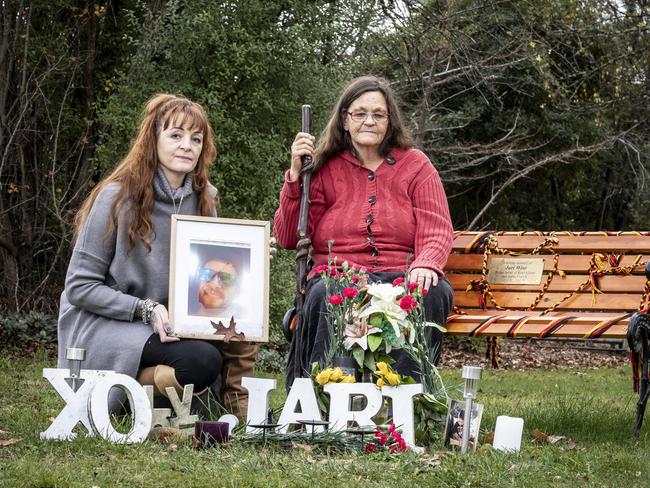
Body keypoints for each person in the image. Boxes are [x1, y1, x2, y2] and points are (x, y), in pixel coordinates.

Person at [57, 93, 257, 417]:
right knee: (201, 361)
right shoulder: (115, 198)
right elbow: (79, 287)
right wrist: (145, 309)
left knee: (242, 325)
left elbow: (209, 274)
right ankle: (123, 398)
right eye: (176, 135)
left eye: (196, 138)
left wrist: (248, 265)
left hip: (174, 326)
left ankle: (237, 413)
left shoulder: (206, 199)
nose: (186, 146)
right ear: (154, 139)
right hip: (111, 322)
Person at [274, 75, 454, 387]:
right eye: (359, 113)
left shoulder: (416, 166)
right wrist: (294, 174)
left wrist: (426, 262)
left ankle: (407, 398)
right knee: (322, 291)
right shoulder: (322, 168)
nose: (368, 121)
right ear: (344, 120)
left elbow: (436, 226)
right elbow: (291, 236)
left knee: (433, 291)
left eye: (378, 114)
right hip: (340, 274)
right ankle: (322, 399)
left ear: (390, 120)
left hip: (400, 273)